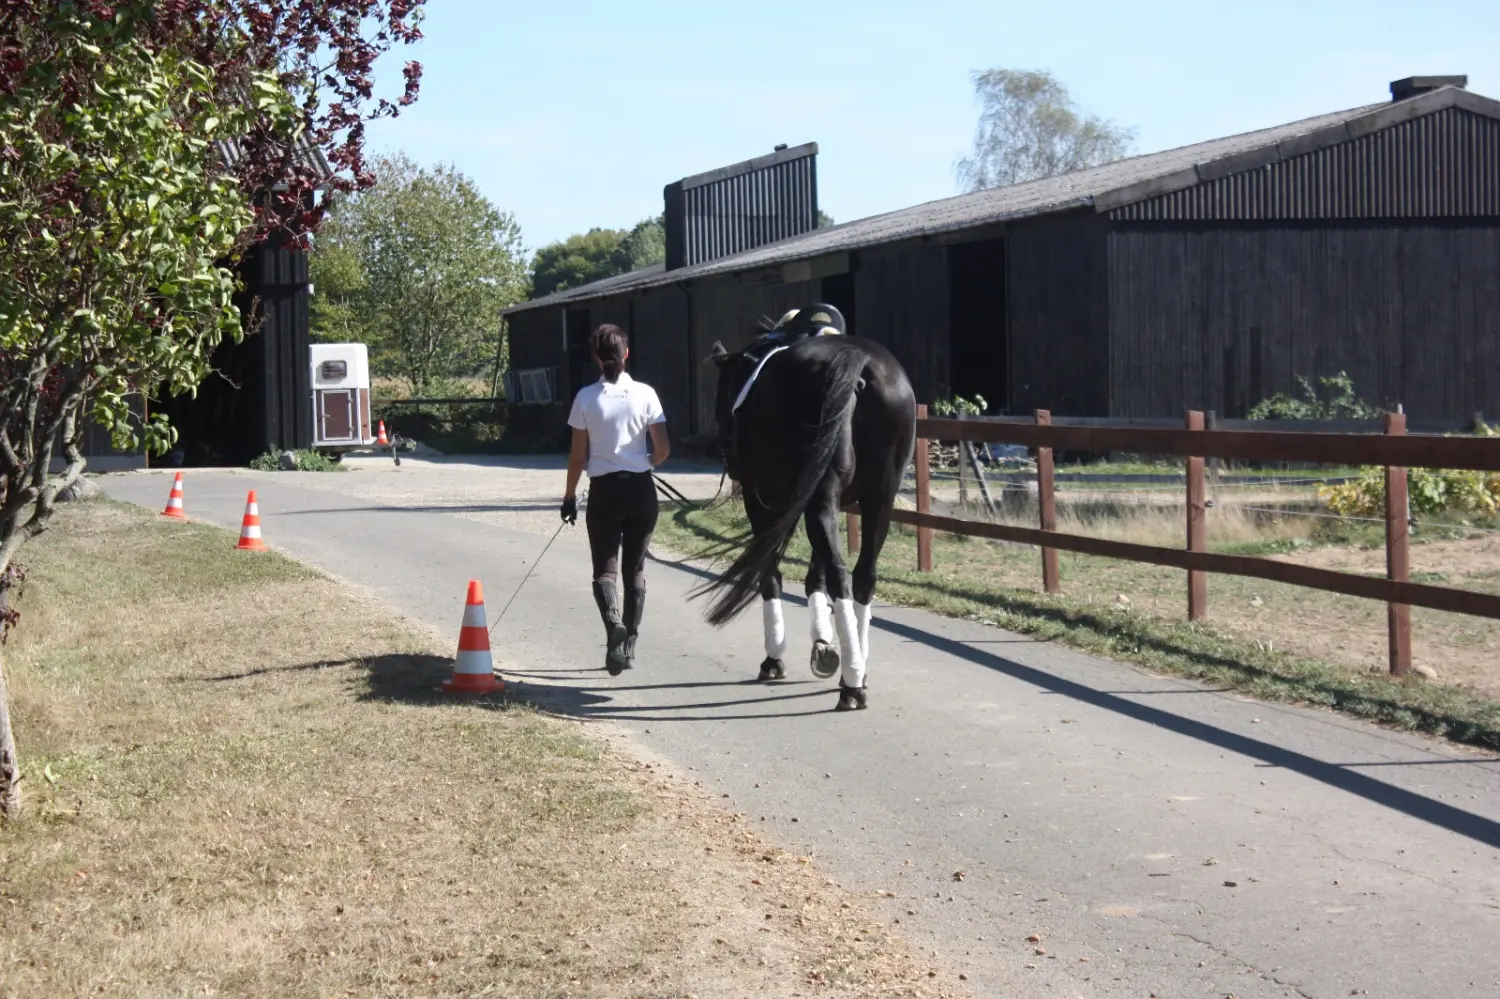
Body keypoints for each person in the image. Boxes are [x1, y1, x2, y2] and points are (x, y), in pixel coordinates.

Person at [561, 324, 671, 675]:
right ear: (626, 354)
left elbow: (578, 456)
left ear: (596, 358)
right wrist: (646, 463)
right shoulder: (646, 394)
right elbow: (664, 447)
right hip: (641, 489)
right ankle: (630, 644)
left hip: (605, 492)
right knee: (635, 569)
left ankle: (612, 626)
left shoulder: (585, 398)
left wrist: (568, 497)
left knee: (604, 569)